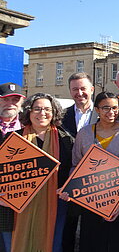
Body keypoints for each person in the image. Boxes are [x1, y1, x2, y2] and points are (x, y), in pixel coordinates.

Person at [70, 92, 119, 252]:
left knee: (118, 244)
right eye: (106, 108)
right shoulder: (84, 133)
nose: (111, 112)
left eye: (114, 108)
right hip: (90, 200)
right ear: (97, 110)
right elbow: (75, 165)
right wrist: (72, 189)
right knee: (92, 243)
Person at [5, 93, 73, 252]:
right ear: (28, 112)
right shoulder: (12, 138)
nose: (42, 113)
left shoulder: (66, 140)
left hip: (55, 203)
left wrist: (69, 188)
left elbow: (72, 169)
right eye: (37, 109)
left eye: (47, 109)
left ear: (54, 112)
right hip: (18, 203)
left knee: (53, 244)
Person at [61, 72, 98, 252]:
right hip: (69, 178)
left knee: (92, 229)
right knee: (68, 227)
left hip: (96, 180)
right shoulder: (60, 116)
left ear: (91, 89)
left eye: (83, 88)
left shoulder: (104, 113)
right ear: (70, 91)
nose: (79, 93)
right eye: (75, 89)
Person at [0, 83, 25, 252]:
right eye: (5, 99)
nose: (11, 103)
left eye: (15, 99)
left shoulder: (29, 127)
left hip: (17, 203)